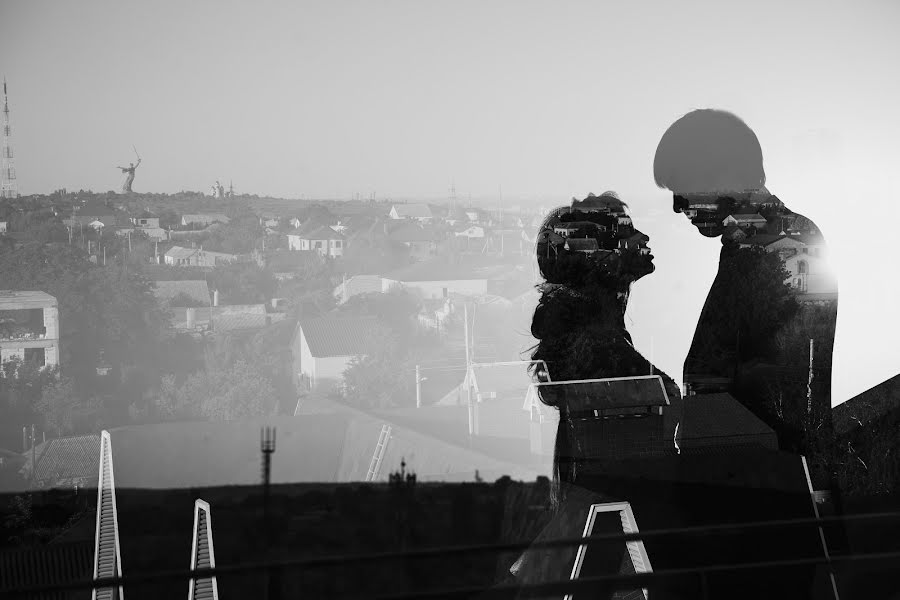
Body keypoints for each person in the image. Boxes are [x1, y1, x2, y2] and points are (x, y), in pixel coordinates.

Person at [653, 109, 837, 487]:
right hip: (751, 467)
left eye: (682, 186)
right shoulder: (756, 241)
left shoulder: (786, 243)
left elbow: (794, 385)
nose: (677, 205)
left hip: (766, 476)